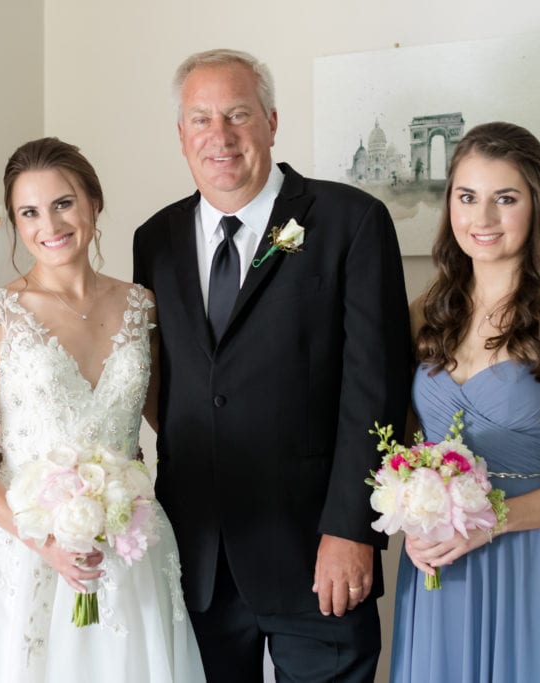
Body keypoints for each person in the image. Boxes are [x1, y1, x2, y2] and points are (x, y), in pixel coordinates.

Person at [132, 49, 412, 682]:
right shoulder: (156, 241)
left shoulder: (350, 222)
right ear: (181, 136)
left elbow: (375, 390)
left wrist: (352, 530)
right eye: (200, 119)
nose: (220, 136)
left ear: (272, 121)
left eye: (238, 114)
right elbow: (163, 383)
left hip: (317, 553)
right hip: (195, 560)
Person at [0, 137, 205, 682]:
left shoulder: (141, 305)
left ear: (93, 203)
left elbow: (172, 420)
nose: (50, 225)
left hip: (127, 540)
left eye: (63, 203)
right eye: (29, 212)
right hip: (28, 549)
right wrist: (44, 540)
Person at [390, 121, 540, 682]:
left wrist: (491, 521)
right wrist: (411, 520)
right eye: (467, 197)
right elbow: (401, 446)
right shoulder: (422, 315)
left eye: (506, 199)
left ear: (536, 206)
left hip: (532, 562)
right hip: (440, 567)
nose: (483, 219)